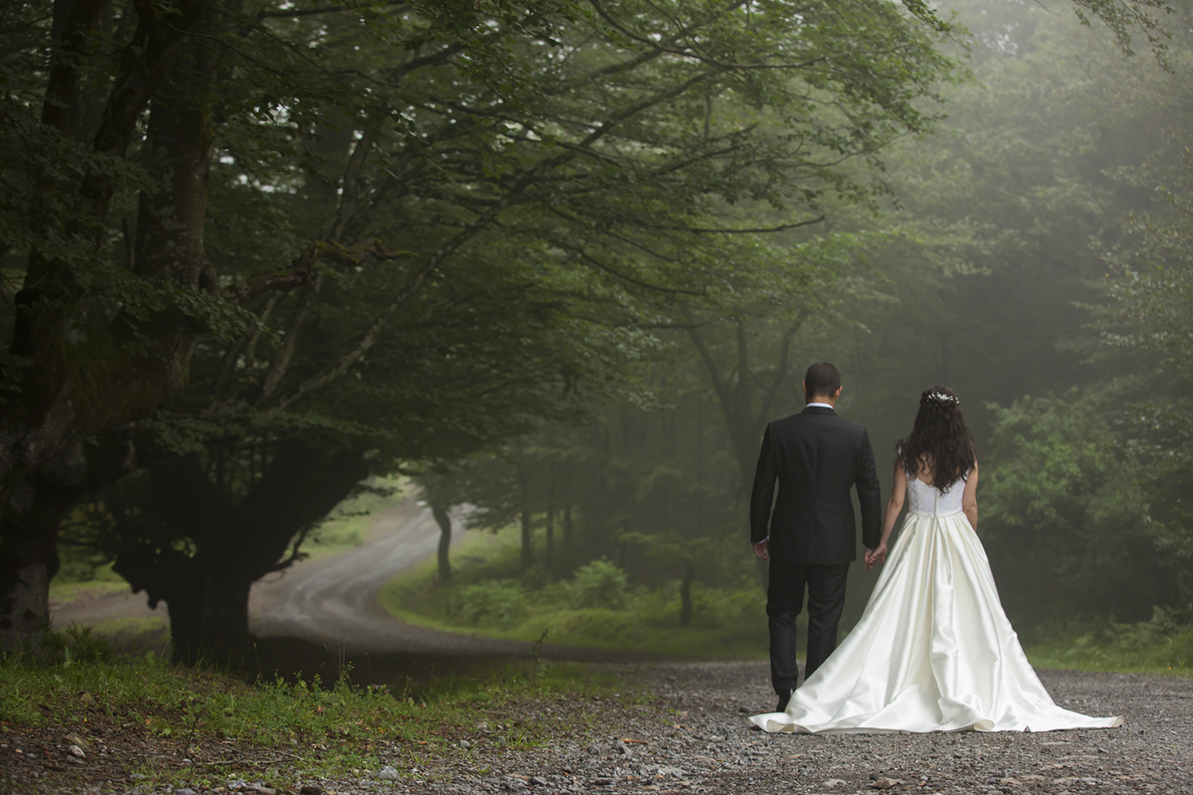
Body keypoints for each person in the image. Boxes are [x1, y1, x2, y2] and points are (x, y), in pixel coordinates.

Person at [750, 386, 1123, 733]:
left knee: (897, 612)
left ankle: (838, 687)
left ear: (923, 417)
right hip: (955, 533)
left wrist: (881, 542)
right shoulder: (966, 456)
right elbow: (970, 505)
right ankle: (967, 683)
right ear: (955, 417)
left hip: (917, 534)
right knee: (968, 613)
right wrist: (969, 541)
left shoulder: (908, 455)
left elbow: (896, 502)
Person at [749, 361, 882, 713]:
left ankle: (786, 691)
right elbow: (869, 490)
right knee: (825, 617)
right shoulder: (856, 435)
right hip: (835, 541)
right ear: (838, 392)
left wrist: (759, 533)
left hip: (788, 537)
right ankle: (817, 695)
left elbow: (763, 486)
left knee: (782, 612)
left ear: (804, 388)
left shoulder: (779, 431)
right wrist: (873, 540)